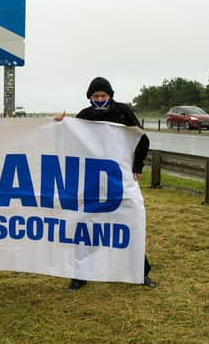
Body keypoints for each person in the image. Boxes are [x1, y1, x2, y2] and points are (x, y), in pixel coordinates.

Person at [55, 77, 155, 292]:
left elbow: (141, 139)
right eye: (95, 96)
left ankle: (140, 272)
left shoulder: (123, 112)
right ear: (90, 97)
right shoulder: (84, 116)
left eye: (103, 96)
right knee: (85, 226)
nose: (99, 100)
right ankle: (79, 275)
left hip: (119, 180)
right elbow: (69, 138)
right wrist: (59, 123)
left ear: (110, 96)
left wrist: (137, 166)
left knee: (129, 222)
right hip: (91, 181)